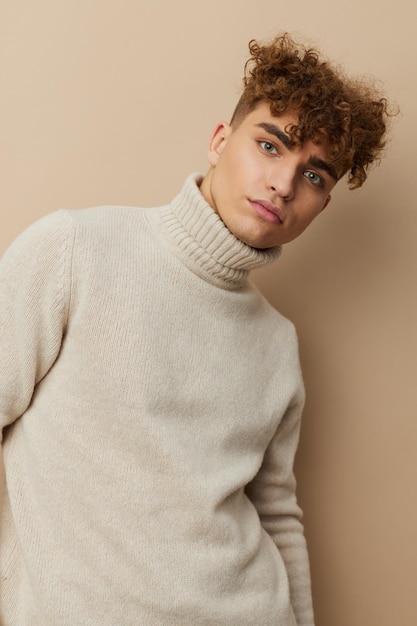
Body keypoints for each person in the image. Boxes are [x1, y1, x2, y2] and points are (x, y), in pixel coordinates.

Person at [0, 33, 390, 626]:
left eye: (314, 177)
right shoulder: (75, 250)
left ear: (323, 204)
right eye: (270, 145)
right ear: (219, 141)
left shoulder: (277, 343)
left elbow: (276, 514)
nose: (284, 184)